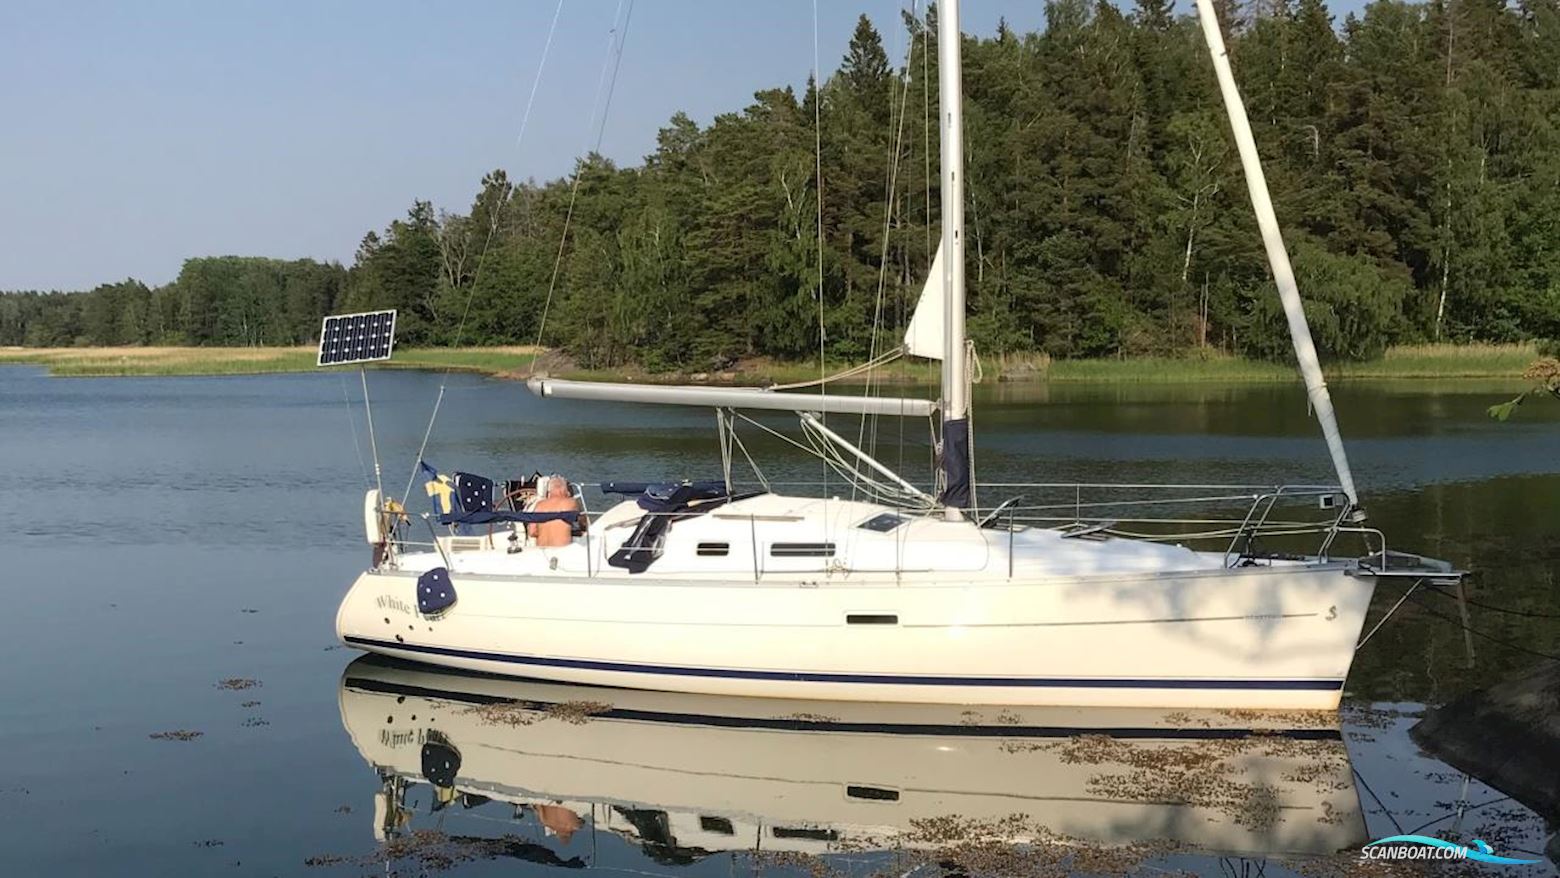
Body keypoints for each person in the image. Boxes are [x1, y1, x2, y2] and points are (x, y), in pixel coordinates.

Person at [528, 475, 582, 548]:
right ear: (565, 490)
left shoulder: (539, 505)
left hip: (542, 550)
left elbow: (532, 532)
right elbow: (583, 525)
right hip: (562, 550)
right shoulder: (571, 503)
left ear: (549, 491)